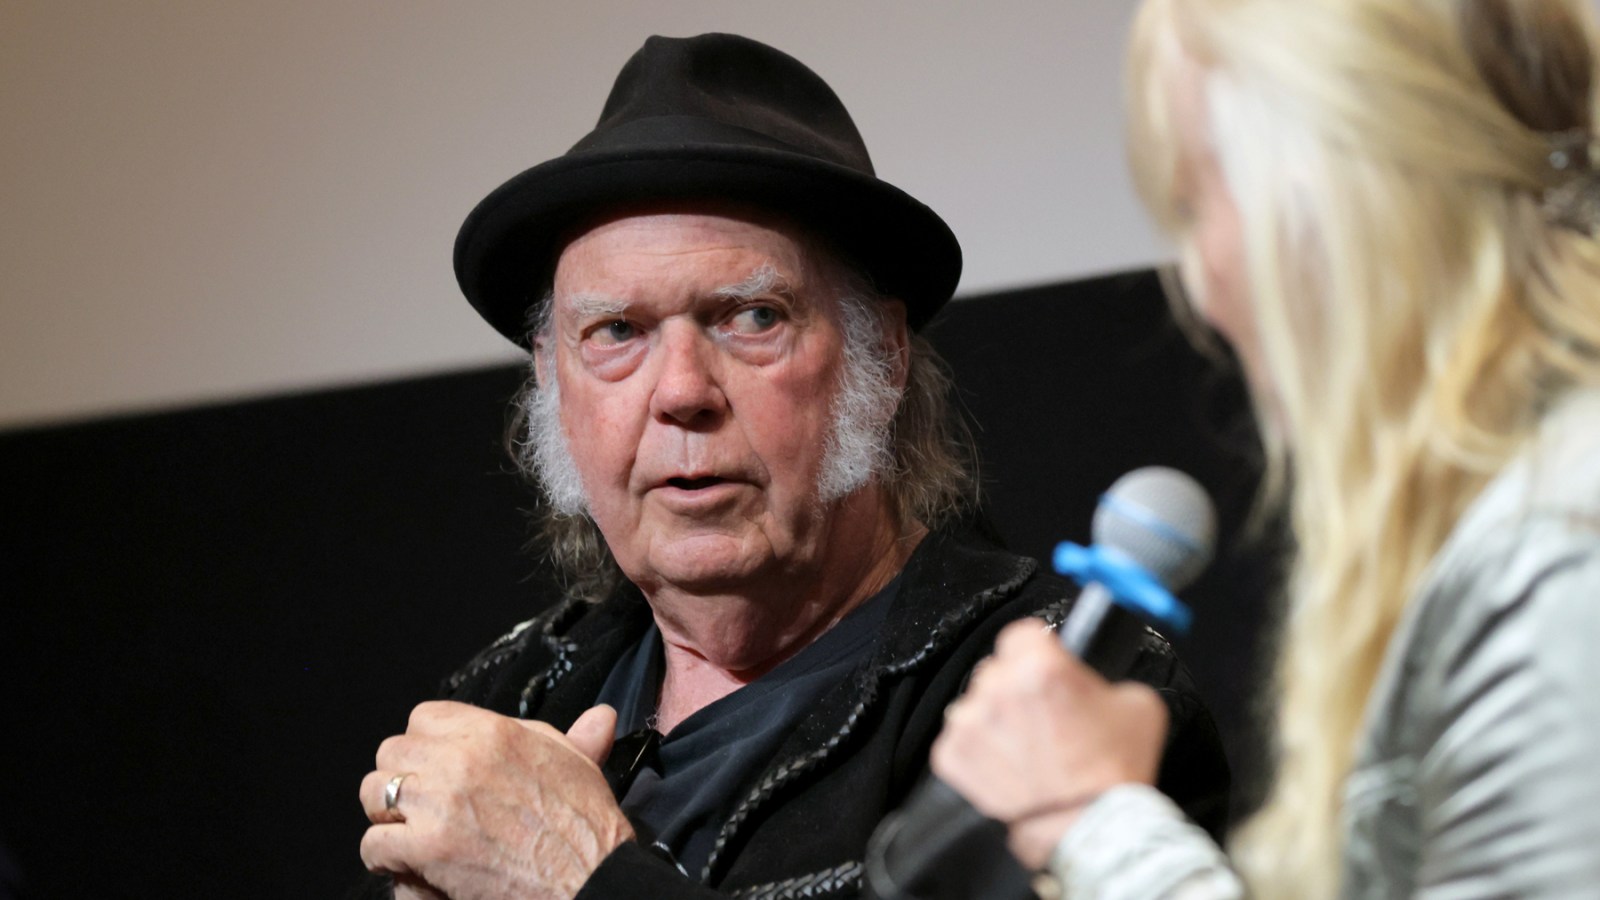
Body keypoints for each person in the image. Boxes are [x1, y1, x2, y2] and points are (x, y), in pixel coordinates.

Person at [353, 33, 1230, 900]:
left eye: (752, 317)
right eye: (617, 331)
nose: (682, 392)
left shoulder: (1062, 712)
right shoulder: (511, 693)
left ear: (882, 356)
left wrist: (582, 877)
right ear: (551, 377)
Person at [930, 0, 1600, 896]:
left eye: (1197, 203)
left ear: (1323, 197)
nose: (1201, 290)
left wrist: (1095, 820)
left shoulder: (1560, 548)